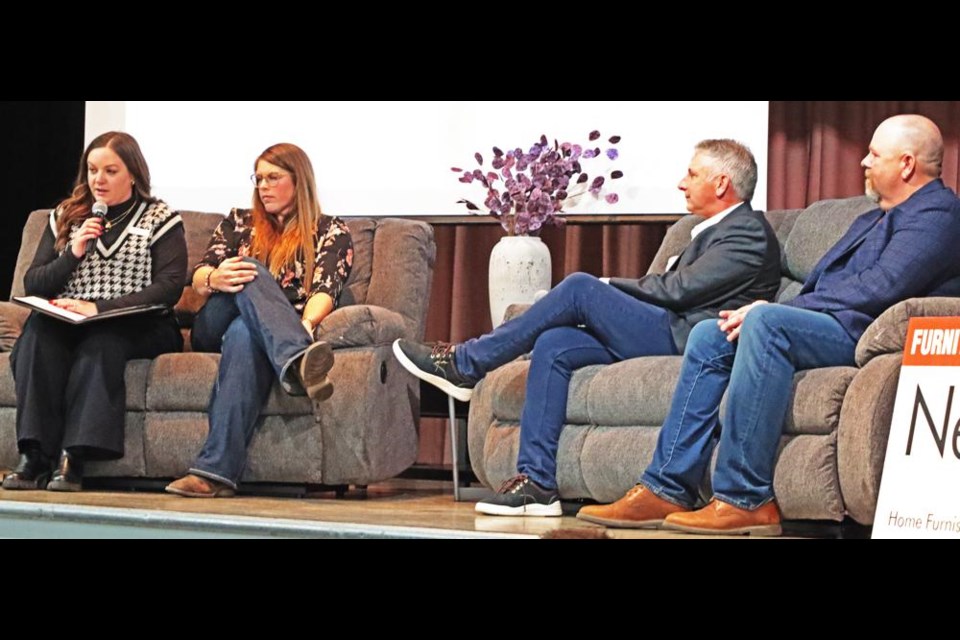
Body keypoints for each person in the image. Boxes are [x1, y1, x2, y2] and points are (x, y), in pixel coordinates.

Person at [578, 114, 960, 536]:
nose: (864, 163)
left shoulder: (938, 214)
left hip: (861, 332)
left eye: (874, 155)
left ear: (906, 164)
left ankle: (745, 497)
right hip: (826, 320)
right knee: (710, 333)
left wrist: (774, 309)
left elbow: (883, 286)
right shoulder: (871, 217)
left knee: (765, 322)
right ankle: (667, 484)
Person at [394, 139, 782, 516]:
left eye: (692, 174)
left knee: (581, 286)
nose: (682, 182)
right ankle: (536, 485)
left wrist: (608, 288)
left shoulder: (747, 231)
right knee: (555, 343)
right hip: (665, 328)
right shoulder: (706, 229)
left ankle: (466, 363)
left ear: (721, 183)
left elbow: (680, 290)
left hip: (688, 340)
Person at [165, 143, 353, 498]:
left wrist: (307, 325)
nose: (263, 186)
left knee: (245, 334)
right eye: (259, 178)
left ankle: (212, 473)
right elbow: (204, 268)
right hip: (215, 320)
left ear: (299, 181)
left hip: (263, 331)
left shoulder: (330, 230)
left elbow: (325, 289)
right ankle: (297, 360)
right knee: (248, 269)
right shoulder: (239, 221)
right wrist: (212, 279)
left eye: (273, 177)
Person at [3, 131, 187, 492]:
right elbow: (34, 284)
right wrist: (72, 252)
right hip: (70, 319)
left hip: (138, 321)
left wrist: (98, 308)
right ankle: (35, 454)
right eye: (92, 170)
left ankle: (74, 456)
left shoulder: (160, 217)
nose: (98, 180)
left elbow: (169, 288)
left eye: (110, 171)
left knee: (101, 343)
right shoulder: (67, 216)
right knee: (37, 336)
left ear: (133, 173)